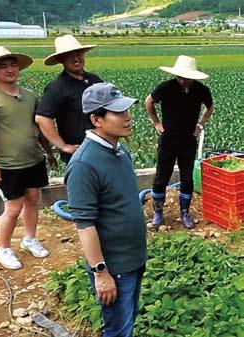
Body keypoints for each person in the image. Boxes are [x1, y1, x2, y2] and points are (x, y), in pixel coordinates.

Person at [65, 82, 147, 337]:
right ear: (96, 119)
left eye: (127, 110)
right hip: (115, 267)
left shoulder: (120, 152)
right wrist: (101, 273)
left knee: (128, 321)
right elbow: (85, 225)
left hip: (133, 258)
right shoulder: (84, 164)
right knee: (118, 329)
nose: (127, 117)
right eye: (118, 112)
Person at [0, 46, 57, 270]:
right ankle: (4, 249)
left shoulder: (29, 96)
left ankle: (29, 239)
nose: (10, 70)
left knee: (32, 201)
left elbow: (38, 128)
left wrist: (48, 153)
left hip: (33, 159)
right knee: (13, 207)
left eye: (13, 64)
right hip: (8, 163)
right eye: (3, 66)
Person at [145, 55, 214, 229]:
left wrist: (200, 124)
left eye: (187, 77)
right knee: (161, 177)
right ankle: (159, 213)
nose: (183, 80)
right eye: (181, 76)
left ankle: (185, 212)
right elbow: (149, 101)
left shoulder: (201, 90)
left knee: (187, 178)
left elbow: (210, 107)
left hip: (188, 140)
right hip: (168, 139)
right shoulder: (166, 87)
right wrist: (156, 122)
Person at [35, 34, 103, 164]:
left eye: (79, 53)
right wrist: (63, 146)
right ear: (61, 60)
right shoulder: (57, 87)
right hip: (79, 153)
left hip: (101, 147)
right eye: (70, 55)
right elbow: (42, 118)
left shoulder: (95, 80)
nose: (76, 58)